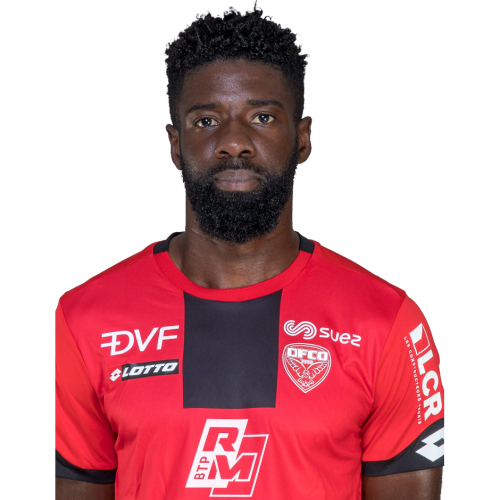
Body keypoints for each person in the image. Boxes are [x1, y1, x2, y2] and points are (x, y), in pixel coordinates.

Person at [55, 5, 445, 499]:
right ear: (174, 144)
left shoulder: (386, 323)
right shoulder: (85, 320)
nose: (234, 142)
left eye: (262, 117)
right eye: (206, 120)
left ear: (302, 139)